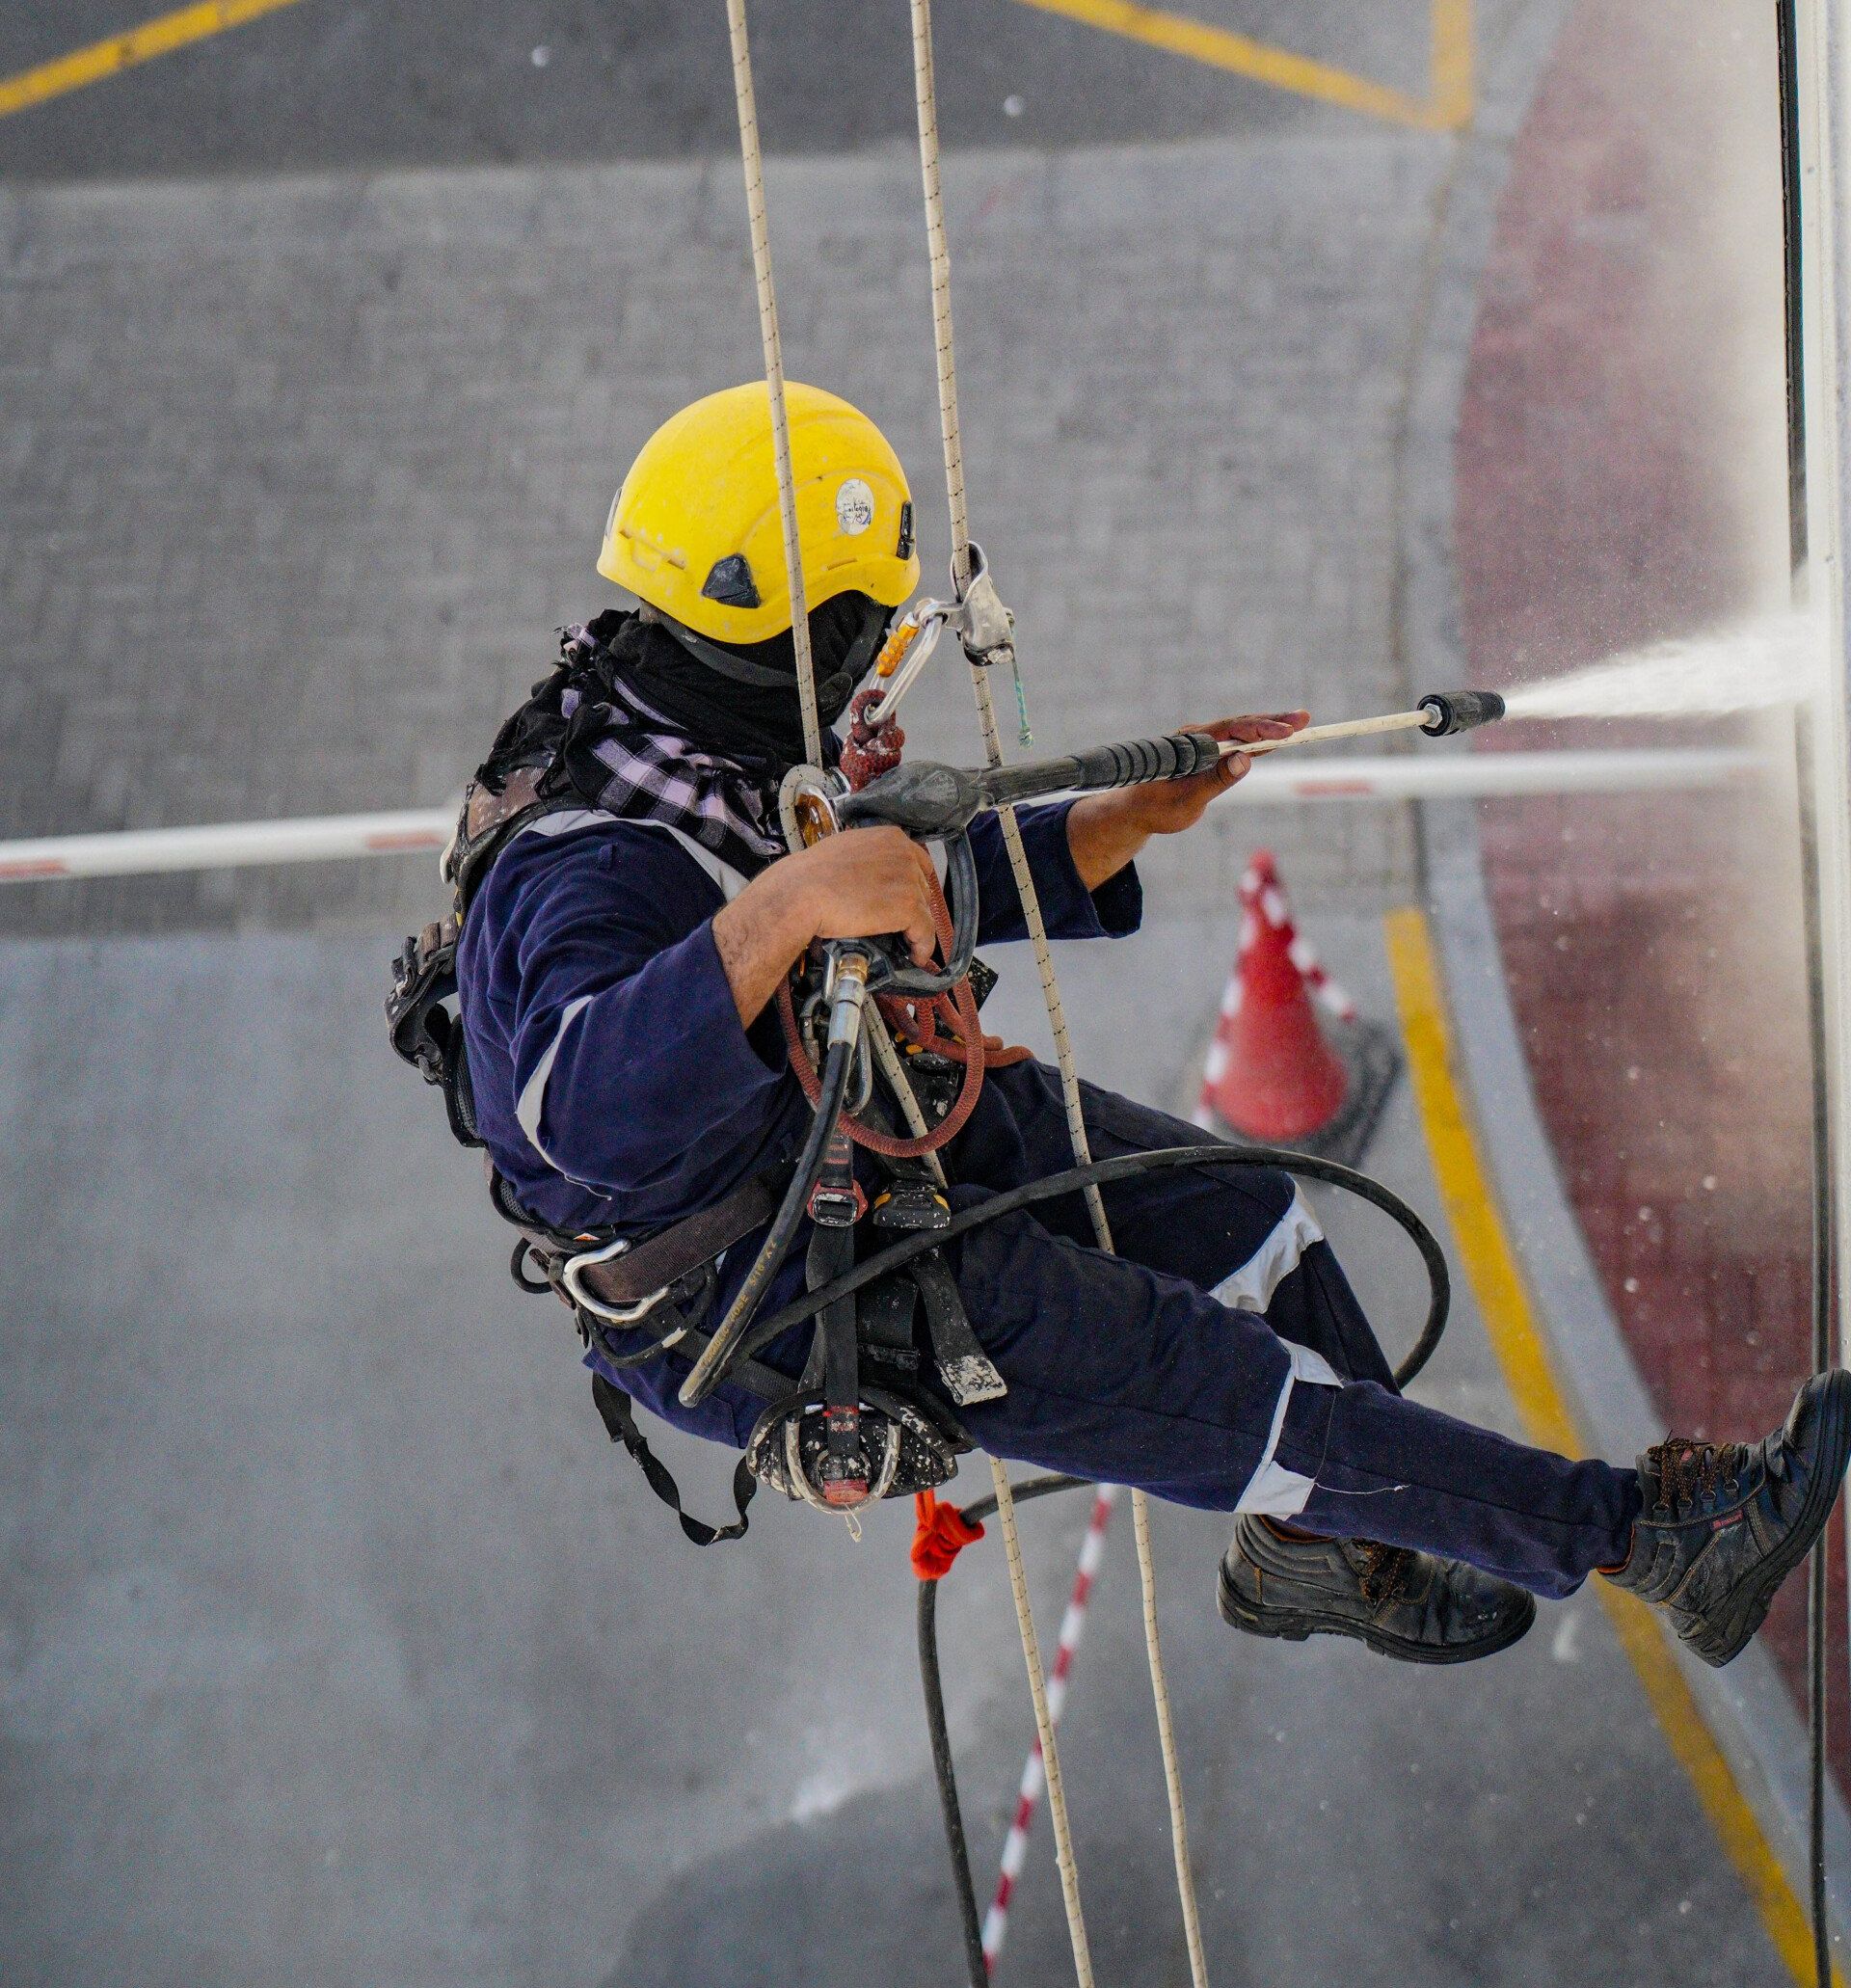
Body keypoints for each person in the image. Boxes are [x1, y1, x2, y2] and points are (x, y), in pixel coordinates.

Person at [450, 380, 1851, 1667]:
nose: (879, 666)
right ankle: (1650, 1542)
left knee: (1251, 1224)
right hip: (769, 1285)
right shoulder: (589, 862)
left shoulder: (693, 740)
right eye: (864, 635)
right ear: (792, 635)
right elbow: (581, 1110)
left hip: (837, 1121)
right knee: (1246, 1402)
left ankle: (1320, 1550)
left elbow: (884, 891)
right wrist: (789, 906)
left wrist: (1113, 824)